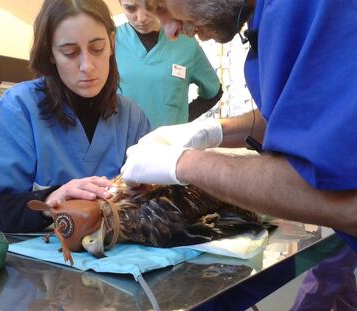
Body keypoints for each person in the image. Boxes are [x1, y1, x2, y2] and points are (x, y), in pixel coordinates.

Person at [121, 0, 357, 309]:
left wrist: (186, 164)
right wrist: (212, 131)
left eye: (161, 5)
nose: (170, 28)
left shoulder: (307, 8)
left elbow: (347, 202)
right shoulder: (269, 19)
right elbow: (304, 116)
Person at [0, 0, 151, 233]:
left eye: (97, 48)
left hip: (121, 261)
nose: (88, 66)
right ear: (51, 53)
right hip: (39, 267)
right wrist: (50, 200)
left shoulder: (133, 118)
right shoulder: (18, 109)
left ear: (112, 43)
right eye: (70, 52)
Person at [115, 0, 222, 128]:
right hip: (121, 145)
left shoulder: (186, 44)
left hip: (169, 146)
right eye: (131, 8)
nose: (141, 18)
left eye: (150, 7)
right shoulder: (109, 42)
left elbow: (213, 92)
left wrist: (182, 120)